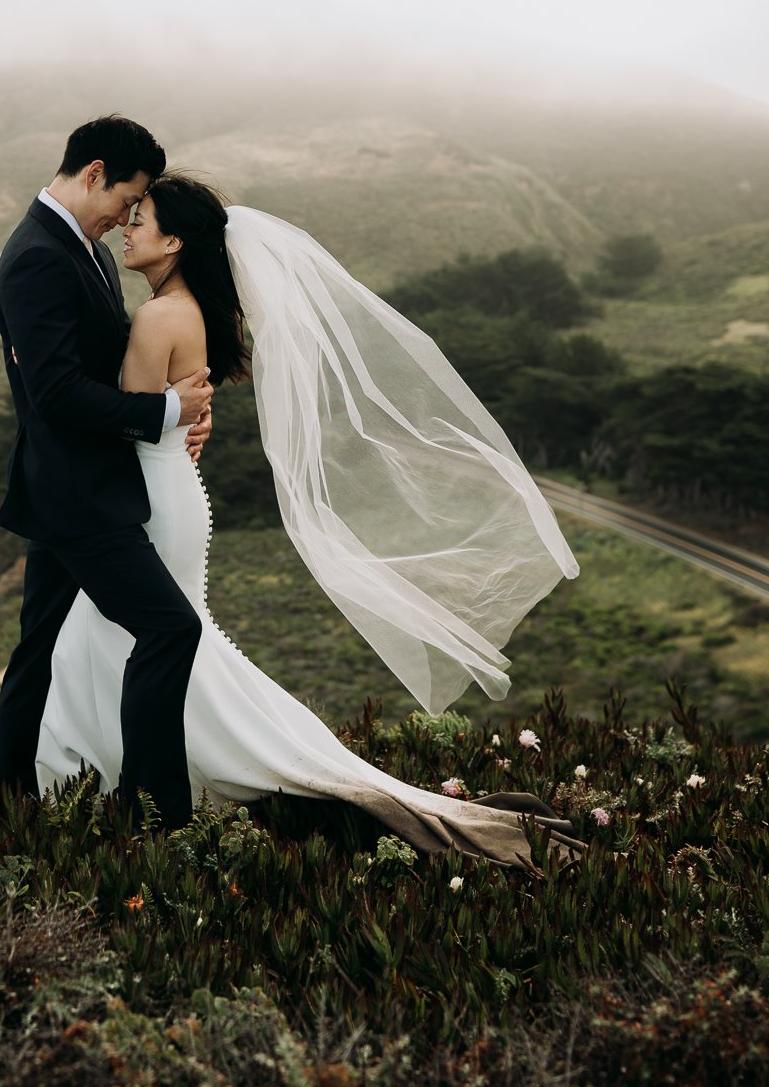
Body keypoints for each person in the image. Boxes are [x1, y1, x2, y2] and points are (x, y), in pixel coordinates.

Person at [34, 173, 583, 867]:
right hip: (168, 492)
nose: (126, 227)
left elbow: (129, 427)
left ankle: (133, 787)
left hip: (145, 499)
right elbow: (172, 412)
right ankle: (148, 780)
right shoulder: (191, 308)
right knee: (135, 642)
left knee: (107, 640)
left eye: (139, 218)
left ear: (173, 240)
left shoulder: (156, 317)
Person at [0, 116, 214, 830]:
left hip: (77, 485)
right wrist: (164, 411)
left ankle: (4, 805)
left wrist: (177, 405)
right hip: (78, 493)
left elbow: (103, 361)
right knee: (170, 629)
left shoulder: (84, 251)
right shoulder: (36, 258)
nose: (125, 216)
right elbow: (53, 395)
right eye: (126, 198)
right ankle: (153, 813)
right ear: (93, 173)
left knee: (38, 651)